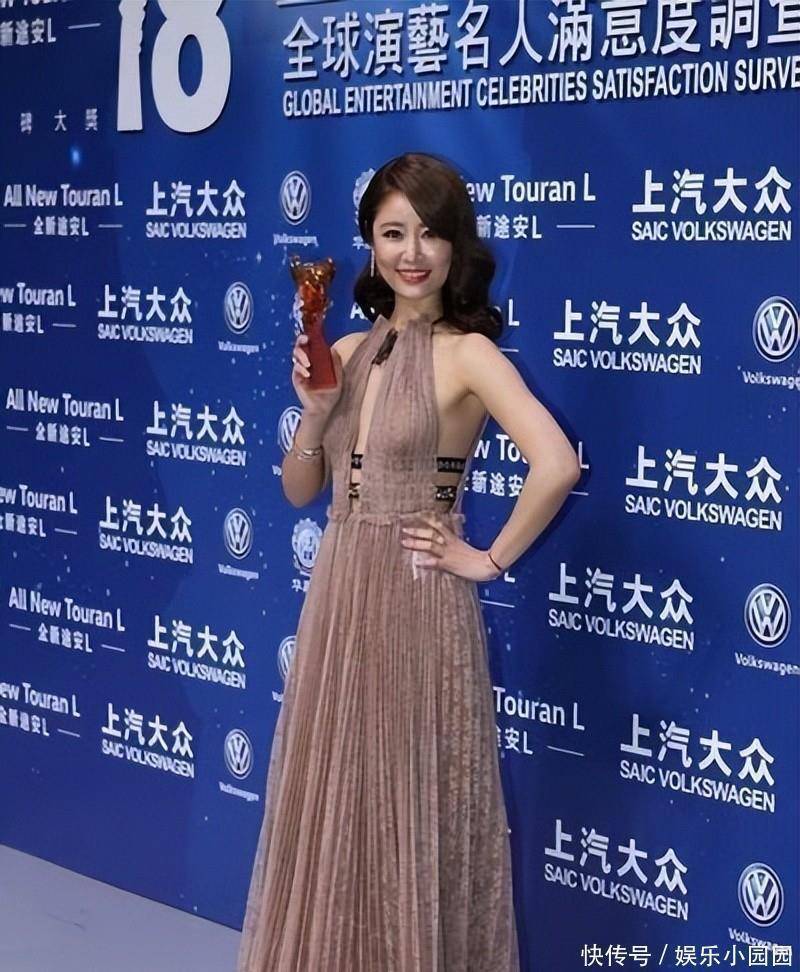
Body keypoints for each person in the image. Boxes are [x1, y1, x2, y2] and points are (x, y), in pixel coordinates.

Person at [236, 152, 580, 971]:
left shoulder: (470, 355)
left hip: (418, 600)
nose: (412, 252)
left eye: (430, 233)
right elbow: (300, 490)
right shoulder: (350, 348)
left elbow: (557, 464)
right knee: (338, 802)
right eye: (394, 234)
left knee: (409, 802)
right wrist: (315, 414)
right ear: (370, 243)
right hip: (339, 595)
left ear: (457, 245)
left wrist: (486, 559)